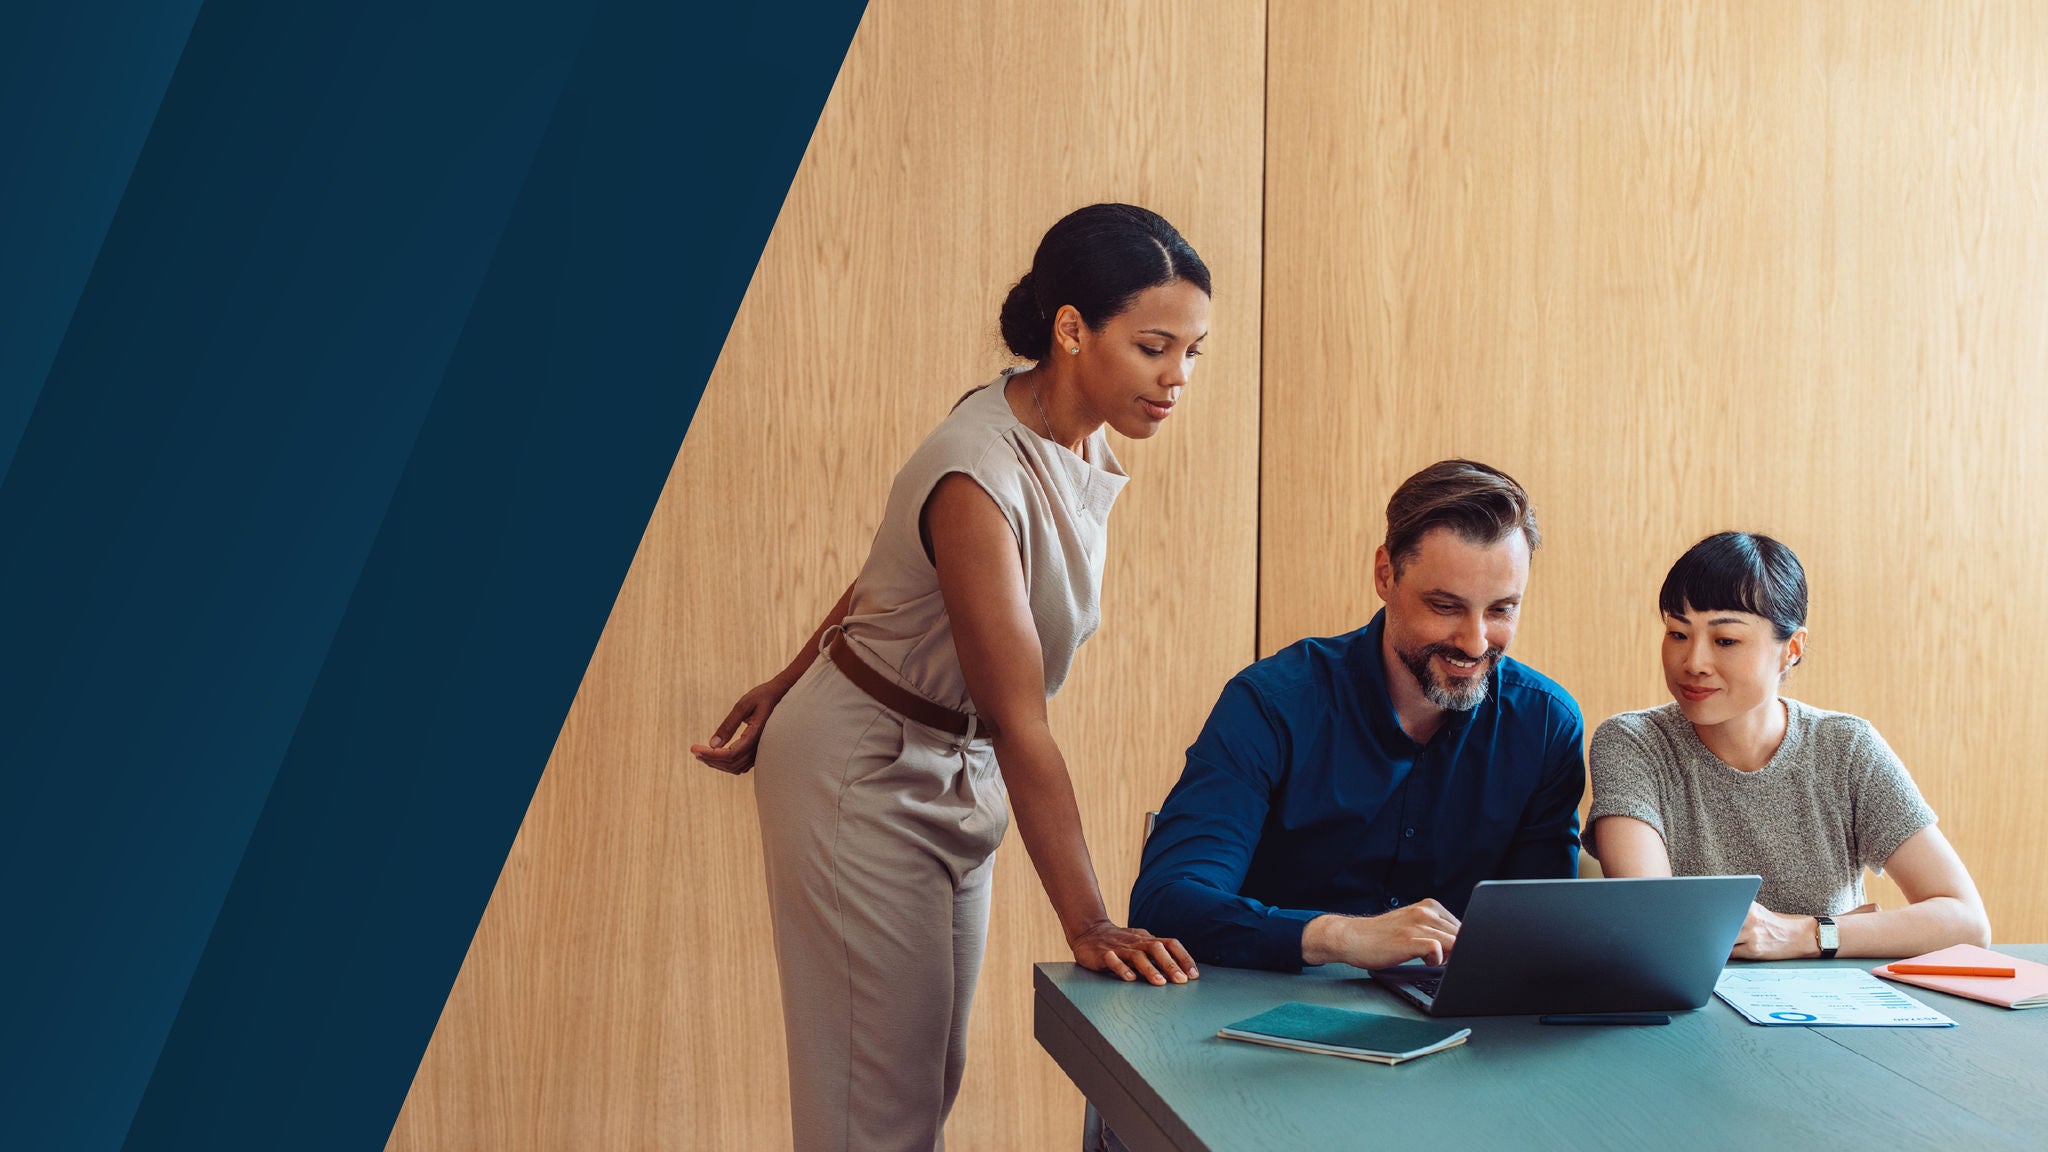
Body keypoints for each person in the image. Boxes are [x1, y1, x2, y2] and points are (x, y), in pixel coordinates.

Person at [690, 204, 1206, 1152]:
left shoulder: (1071, 431)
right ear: (1071, 329)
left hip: (953, 767)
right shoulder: (979, 470)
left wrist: (792, 668)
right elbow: (1021, 721)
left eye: (1193, 353)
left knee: (926, 1085)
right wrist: (1089, 919)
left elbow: (897, 574)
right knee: (872, 1117)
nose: (1177, 378)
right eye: (1154, 347)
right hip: (867, 775)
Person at [1128, 459, 1586, 972]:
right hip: (1264, 1022)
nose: (1475, 642)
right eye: (1445, 606)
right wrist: (1339, 937)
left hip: (1462, 1034)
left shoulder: (1546, 725)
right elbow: (1166, 902)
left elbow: (1540, 935)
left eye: (1501, 610)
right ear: (1385, 574)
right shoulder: (1272, 704)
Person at [1587, 531, 1991, 960]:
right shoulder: (1632, 743)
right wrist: (1856, 927)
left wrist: (1802, 935)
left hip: (1837, 1013)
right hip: (1696, 1007)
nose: (1693, 663)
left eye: (1725, 640)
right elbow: (1660, 925)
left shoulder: (1846, 748)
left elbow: (1966, 922)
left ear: (1791, 650)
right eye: (1677, 634)